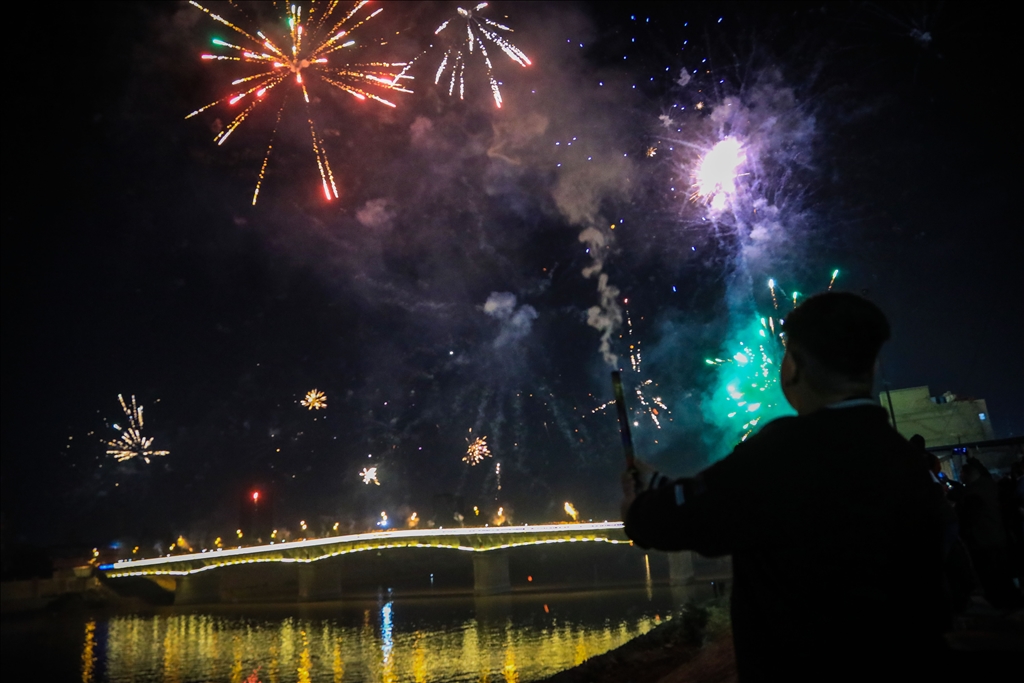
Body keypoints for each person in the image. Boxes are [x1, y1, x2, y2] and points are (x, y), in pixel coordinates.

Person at [621, 292, 953, 679]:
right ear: (872, 367)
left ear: (793, 367)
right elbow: (728, 497)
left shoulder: (782, 451)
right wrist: (659, 481)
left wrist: (638, 509)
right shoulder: (907, 461)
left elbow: (692, 517)